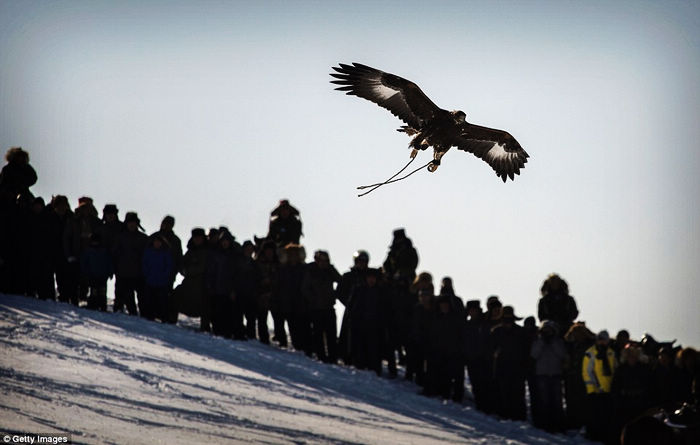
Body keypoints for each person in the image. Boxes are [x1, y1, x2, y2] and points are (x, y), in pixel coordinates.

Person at [489, 305, 529, 421]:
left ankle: (519, 417)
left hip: (517, 367)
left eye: (509, 319)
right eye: (505, 319)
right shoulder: (496, 332)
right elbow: (491, 349)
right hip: (502, 367)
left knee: (517, 394)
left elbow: (525, 350)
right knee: (503, 393)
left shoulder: (520, 332)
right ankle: (504, 415)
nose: (507, 322)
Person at [301, 250, 341, 363]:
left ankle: (333, 358)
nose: (324, 262)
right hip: (316, 309)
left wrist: (334, 294)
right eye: (321, 260)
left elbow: (340, 280)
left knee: (331, 335)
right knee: (318, 334)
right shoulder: (311, 271)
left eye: (326, 260)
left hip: (329, 307)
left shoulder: (329, 271)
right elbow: (304, 288)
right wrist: (312, 299)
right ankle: (321, 356)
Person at [426, 294, 466, 401]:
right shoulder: (436, 317)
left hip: (452, 350)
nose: (444, 306)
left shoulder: (455, 318)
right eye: (442, 304)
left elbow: (459, 334)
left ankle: (448, 394)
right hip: (438, 350)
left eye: (446, 304)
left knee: (449, 374)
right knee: (440, 373)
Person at [205, 230, 245, 338]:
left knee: (228, 312)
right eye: (223, 241)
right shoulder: (216, 254)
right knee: (216, 311)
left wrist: (234, 289)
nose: (225, 243)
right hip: (217, 288)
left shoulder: (235, 256)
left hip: (229, 290)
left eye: (227, 241)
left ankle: (229, 332)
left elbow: (237, 275)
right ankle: (218, 330)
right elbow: (211, 271)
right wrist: (210, 285)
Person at [64, 197, 102, 305]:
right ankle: (74, 299)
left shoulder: (96, 222)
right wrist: (69, 254)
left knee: (88, 278)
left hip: (91, 255)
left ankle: (86, 299)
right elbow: (67, 238)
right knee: (75, 278)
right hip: (76, 253)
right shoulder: (73, 221)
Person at [530, 320, 566, 432]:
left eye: (549, 330)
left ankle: (559, 425)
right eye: (545, 330)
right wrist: (542, 342)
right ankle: (545, 425)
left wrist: (552, 342)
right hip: (542, 375)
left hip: (555, 374)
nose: (547, 332)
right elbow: (533, 355)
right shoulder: (537, 341)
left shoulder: (558, 342)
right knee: (544, 401)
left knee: (557, 402)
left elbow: (562, 354)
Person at [582, 330, 618, 443]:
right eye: (600, 339)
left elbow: (615, 369)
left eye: (604, 340)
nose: (602, 342)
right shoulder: (590, 353)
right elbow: (587, 372)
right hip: (596, 392)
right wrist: (592, 389)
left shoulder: (611, 353)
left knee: (607, 416)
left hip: (609, 391)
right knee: (595, 416)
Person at [349, 268, 386, 375]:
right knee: (360, 347)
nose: (371, 280)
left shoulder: (380, 291)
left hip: (375, 326)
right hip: (360, 324)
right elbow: (352, 306)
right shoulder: (359, 289)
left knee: (374, 348)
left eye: (373, 278)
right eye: (369, 277)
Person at [336, 250, 371, 365]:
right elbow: (340, 292)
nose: (362, 264)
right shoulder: (348, 276)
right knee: (348, 336)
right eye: (360, 261)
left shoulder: (370, 277)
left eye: (364, 261)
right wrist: (350, 303)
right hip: (351, 312)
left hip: (366, 313)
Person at [612, 343, 653, 439]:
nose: (631, 357)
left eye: (634, 355)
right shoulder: (620, 369)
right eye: (629, 355)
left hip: (641, 405)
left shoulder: (644, 369)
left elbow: (650, 386)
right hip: (624, 405)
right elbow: (615, 388)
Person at [112, 212, 148, 315]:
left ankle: (145, 314)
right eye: (130, 223)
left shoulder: (143, 238)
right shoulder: (120, 237)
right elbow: (114, 253)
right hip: (123, 272)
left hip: (139, 273)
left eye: (134, 223)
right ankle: (128, 313)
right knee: (125, 295)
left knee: (142, 296)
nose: (132, 225)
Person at [563, 321, 596, 429]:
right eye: (575, 332)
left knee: (584, 401)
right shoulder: (569, 345)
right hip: (572, 376)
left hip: (584, 377)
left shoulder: (589, 344)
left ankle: (584, 423)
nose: (578, 335)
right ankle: (572, 423)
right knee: (571, 400)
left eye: (580, 332)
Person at [174, 228, 210, 324]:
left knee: (205, 306)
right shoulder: (191, 250)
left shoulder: (206, 251)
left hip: (202, 285)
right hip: (188, 284)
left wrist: (188, 271)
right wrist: (184, 270)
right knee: (174, 296)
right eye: (195, 238)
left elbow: (202, 267)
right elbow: (182, 264)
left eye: (199, 238)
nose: (197, 240)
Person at [464, 299, 492, 413]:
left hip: (483, 359)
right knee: (476, 384)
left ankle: (486, 406)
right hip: (472, 359)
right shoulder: (467, 325)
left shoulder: (484, 324)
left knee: (485, 383)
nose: (472, 312)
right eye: (471, 310)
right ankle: (480, 405)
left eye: (474, 310)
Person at [277, 243, 306, 349]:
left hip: (301, 303)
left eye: (295, 254)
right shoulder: (283, 269)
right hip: (287, 302)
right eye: (291, 254)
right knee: (292, 325)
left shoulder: (304, 269)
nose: (293, 256)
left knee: (302, 326)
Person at [141, 234, 175, 321]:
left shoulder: (166, 253)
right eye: (155, 242)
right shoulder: (148, 252)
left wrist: (165, 276)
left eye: (159, 242)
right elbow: (145, 264)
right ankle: (149, 315)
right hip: (150, 279)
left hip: (162, 281)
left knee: (162, 300)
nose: (157, 243)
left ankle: (163, 316)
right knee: (149, 299)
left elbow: (168, 266)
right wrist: (147, 274)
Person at [81, 232, 113, 311]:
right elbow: (84, 263)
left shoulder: (104, 251)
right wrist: (85, 273)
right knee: (93, 291)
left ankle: (102, 306)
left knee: (102, 291)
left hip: (103, 275)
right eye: (94, 241)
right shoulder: (88, 251)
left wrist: (110, 272)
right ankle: (92, 305)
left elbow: (109, 262)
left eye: (97, 241)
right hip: (92, 275)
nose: (95, 243)